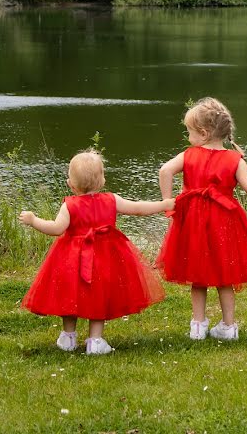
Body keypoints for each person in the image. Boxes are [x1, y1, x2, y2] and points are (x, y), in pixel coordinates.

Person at [157, 97, 247, 341]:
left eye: (189, 132)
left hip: (193, 220)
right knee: (225, 277)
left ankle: (198, 326)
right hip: (224, 221)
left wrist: (168, 203)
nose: (188, 137)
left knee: (197, 274)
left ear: (203, 133)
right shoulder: (235, 160)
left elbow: (164, 171)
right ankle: (228, 326)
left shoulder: (189, 155)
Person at [19, 150, 171, 355]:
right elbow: (138, 208)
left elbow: (56, 229)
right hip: (105, 256)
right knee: (99, 295)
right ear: (102, 180)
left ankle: (68, 337)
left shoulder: (69, 205)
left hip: (72, 258)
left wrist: (33, 220)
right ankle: (95, 340)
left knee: (70, 295)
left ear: (71, 184)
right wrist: (163, 205)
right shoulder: (111, 199)